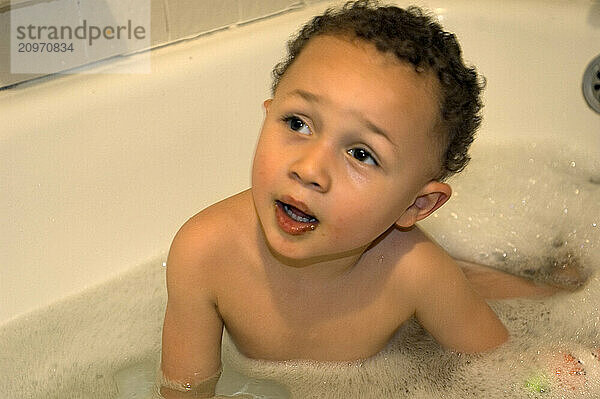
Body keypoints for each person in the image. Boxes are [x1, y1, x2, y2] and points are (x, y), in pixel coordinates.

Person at [158, 1, 566, 397]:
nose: (310, 169)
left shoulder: (416, 274)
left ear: (416, 205)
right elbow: (186, 389)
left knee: (540, 299)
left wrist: (556, 373)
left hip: (416, 321)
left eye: (361, 154)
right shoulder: (204, 253)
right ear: (268, 114)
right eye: (297, 123)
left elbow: (504, 369)